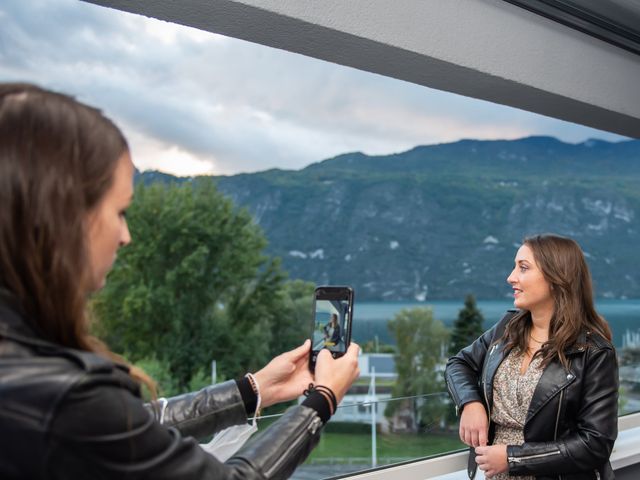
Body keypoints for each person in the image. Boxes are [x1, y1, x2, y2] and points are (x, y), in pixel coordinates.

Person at [0, 83, 360, 479]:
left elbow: (136, 426)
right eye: (119, 212)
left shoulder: (28, 372)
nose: (126, 236)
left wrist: (255, 390)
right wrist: (322, 401)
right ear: (63, 217)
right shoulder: (67, 397)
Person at [445, 234, 618, 480]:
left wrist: (513, 458)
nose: (511, 277)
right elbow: (458, 364)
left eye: (523, 268)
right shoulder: (507, 328)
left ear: (557, 278)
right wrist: (470, 403)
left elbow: (595, 444)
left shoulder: (594, 352)